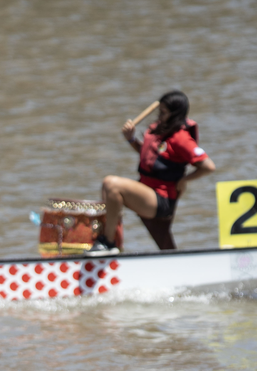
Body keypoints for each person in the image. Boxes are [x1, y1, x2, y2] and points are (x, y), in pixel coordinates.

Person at [90, 90, 216, 254]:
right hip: (147, 191)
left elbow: (208, 166)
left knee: (111, 184)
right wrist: (131, 139)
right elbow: (149, 157)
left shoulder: (181, 138)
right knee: (107, 188)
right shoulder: (160, 131)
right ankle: (111, 240)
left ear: (175, 114)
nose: (160, 116)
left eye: (163, 112)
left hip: (161, 199)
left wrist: (184, 180)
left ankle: (108, 242)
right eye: (160, 111)